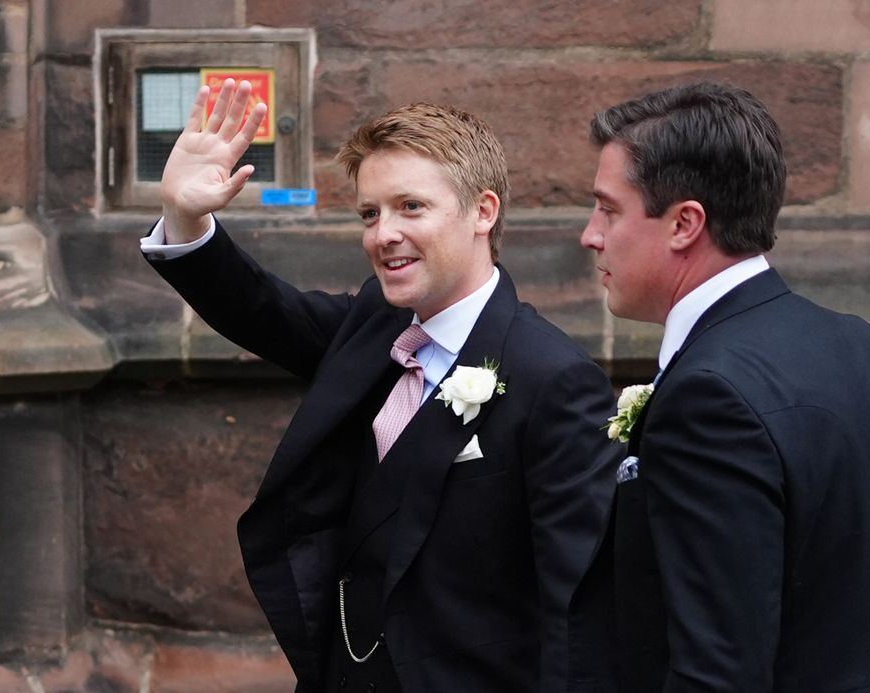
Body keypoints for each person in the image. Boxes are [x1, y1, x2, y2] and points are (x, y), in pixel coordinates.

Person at [142, 78, 621, 692]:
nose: (382, 234)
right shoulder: (376, 323)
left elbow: (576, 605)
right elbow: (261, 309)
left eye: (410, 207)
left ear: (483, 211)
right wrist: (185, 216)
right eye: (370, 213)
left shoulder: (555, 379)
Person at [577, 81, 870, 691]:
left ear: (684, 223)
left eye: (608, 208)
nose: (590, 235)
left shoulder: (707, 396)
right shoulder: (856, 342)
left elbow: (719, 668)